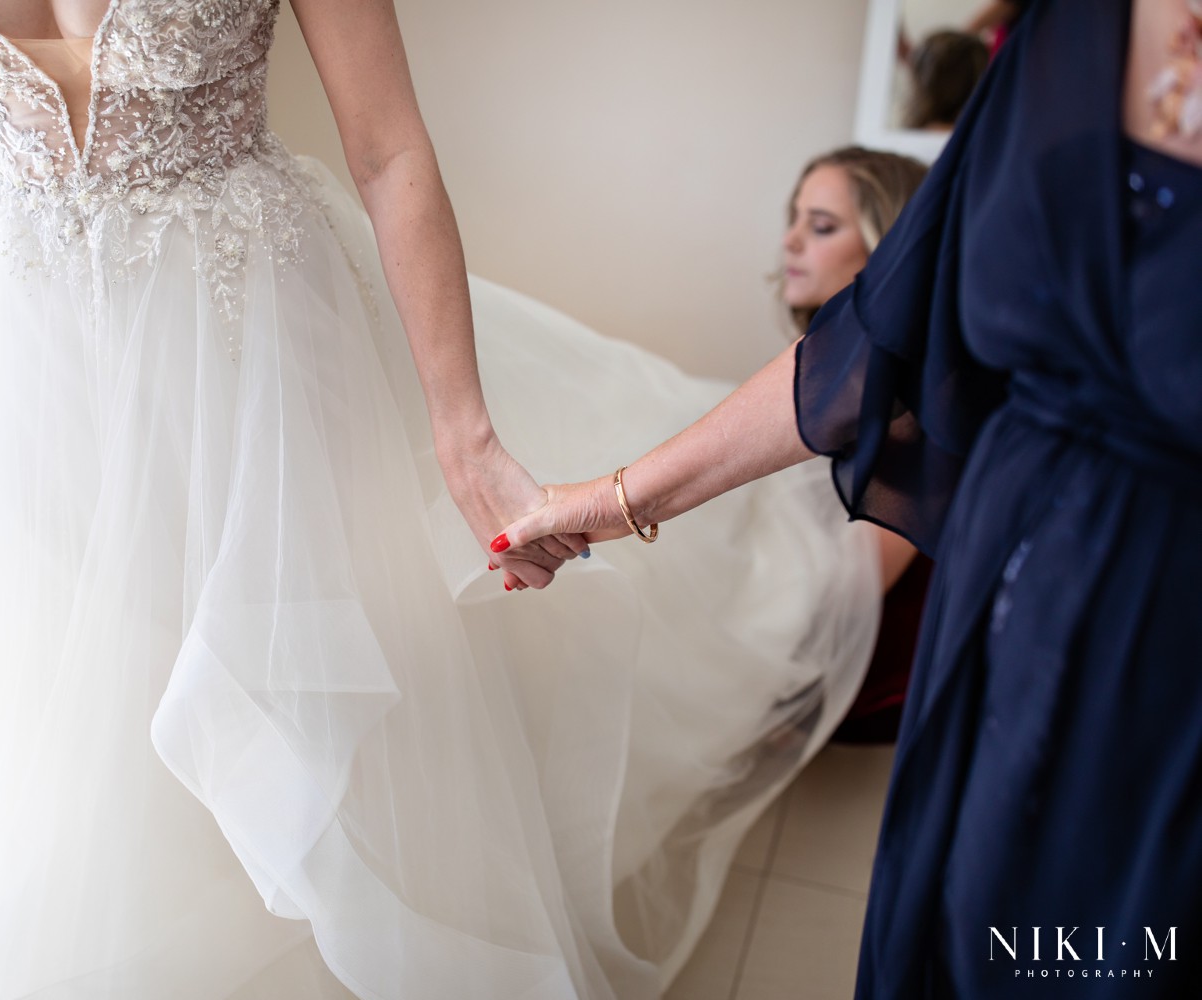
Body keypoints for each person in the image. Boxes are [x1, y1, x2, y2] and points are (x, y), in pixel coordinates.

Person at [0, 1, 884, 996]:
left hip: (244, 346)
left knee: (309, 693)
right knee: (68, 710)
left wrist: (467, 440)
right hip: (21, 355)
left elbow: (390, 153)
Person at [497, 0, 1202, 994]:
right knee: (963, 938)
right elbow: (875, 343)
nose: (793, 241)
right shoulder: (1064, 29)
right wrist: (603, 505)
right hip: (998, 632)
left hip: (1169, 647)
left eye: (823, 224)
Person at [777, 145, 932, 743]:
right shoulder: (835, 370)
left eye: (820, 227)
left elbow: (855, 579)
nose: (790, 241)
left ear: (884, 248)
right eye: (793, 219)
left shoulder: (907, 392)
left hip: (863, 668)